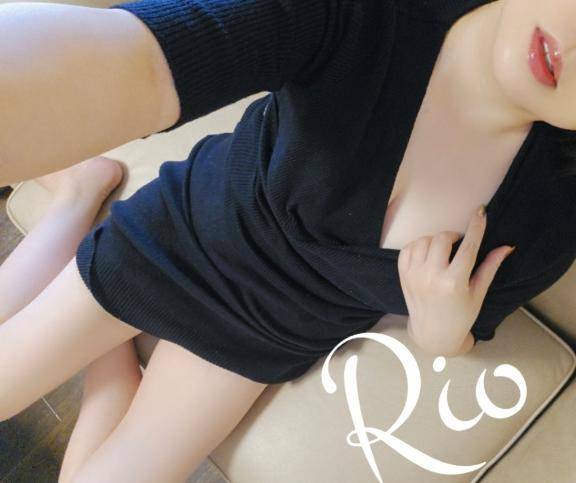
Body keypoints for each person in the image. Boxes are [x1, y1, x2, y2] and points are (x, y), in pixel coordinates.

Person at [0, 0, 574, 481]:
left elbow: (457, 336)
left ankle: (95, 262)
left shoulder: (551, 215)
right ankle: (82, 207)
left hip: (263, 332)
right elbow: (150, 58)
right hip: (179, 241)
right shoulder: (374, 16)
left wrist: (441, 328)